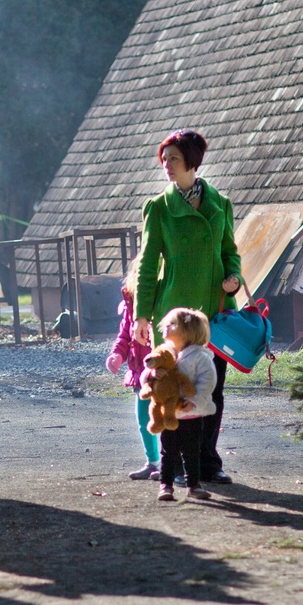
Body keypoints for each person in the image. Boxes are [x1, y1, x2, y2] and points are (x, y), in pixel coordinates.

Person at [132, 129, 241, 487]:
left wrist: (234, 278)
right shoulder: (159, 208)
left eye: (173, 159)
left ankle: (208, 462)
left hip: (213, 314)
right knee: (173, 392)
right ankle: (175, 465)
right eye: (164, 160)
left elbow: (229, 252)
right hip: (175, 318)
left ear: (192, 161)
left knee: (211, 391)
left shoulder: (220, 203)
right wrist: (142, 316)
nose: (166, 166)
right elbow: (147, 266)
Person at [149, 308, 217, 502]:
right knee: (167, 451)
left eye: (173, 324)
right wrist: (153, 374)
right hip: (168, 413)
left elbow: (207, 381)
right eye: (167, 323)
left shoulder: (200, 357)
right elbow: (148, 369)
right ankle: (166, 485)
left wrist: (194, 401)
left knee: (191, 452)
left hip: (191, 414)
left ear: (188, 331)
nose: (166, 327)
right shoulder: (164, 352)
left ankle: (193, 485)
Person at [105, 256, 159, 480]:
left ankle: (171, 460)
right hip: (140, 374)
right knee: (144, 418)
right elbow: (125, 334)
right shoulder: (131, 303)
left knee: (165, 417)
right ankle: (153, 461)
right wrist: (117, 354)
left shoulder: (162, 300)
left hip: (161, 370)